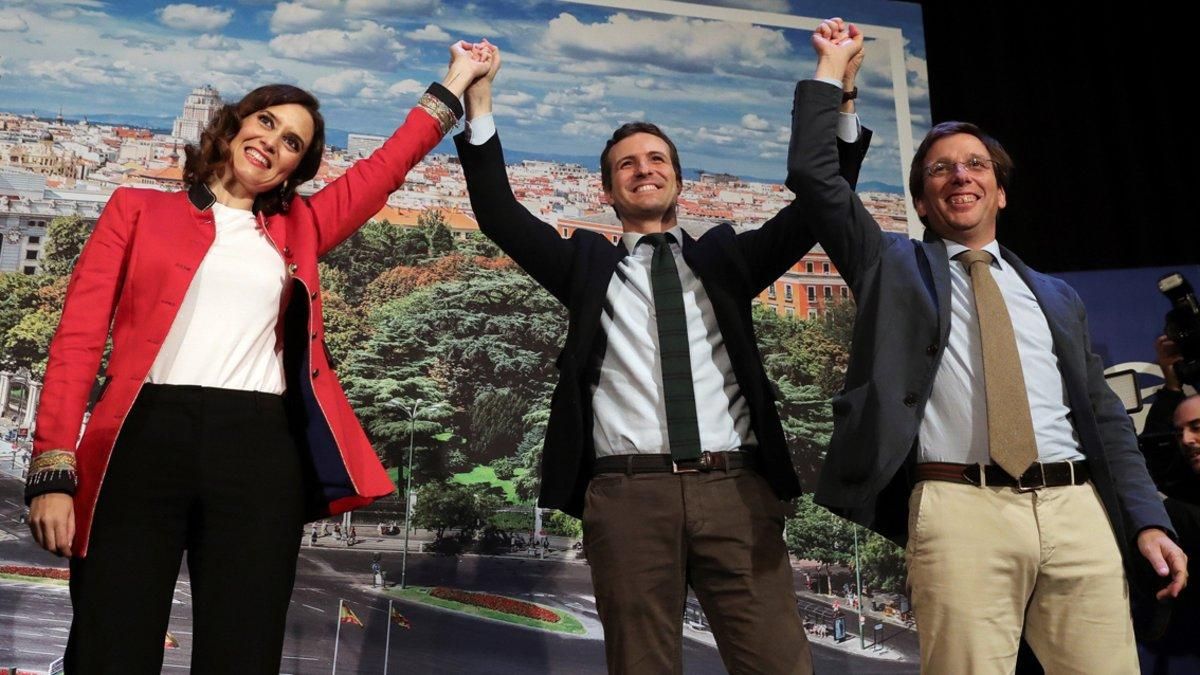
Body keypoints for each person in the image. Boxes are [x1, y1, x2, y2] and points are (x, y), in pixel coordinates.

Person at [24, 41, 491, 672]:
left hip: (258, 453)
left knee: (242, 653)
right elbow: (77, 339)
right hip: (139, 442)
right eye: (267, 121)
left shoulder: (303, 225)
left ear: (296, 169)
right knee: (110, 647)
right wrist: (54, 468)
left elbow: (384, 169)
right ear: (235, 124)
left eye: (293, 142)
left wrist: (457, 80)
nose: (273, 141)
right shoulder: (135, 209)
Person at [454, 40, 869, 673]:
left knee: (779, 663)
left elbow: (820, 203)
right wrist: (479, 95)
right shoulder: (587, 267)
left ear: (677, 177)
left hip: (737, 489)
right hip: (627, 494)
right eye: (627, 164)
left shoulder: (729, 260)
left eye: (656, 159)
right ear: (608, 191)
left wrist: (841, 93)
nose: (644, 169)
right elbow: (499, 212)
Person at [789, 19, 1188, 674]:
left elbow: (1107, 418)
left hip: (1075, 509)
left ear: (1000, 190)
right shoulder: (891, 266)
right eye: (940, 169)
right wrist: (837, 77)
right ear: (922, 199)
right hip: (959, 510)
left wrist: (1147, 519)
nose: (960, 176)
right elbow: (814, 177)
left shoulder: (1058, 296)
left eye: (976, 164)